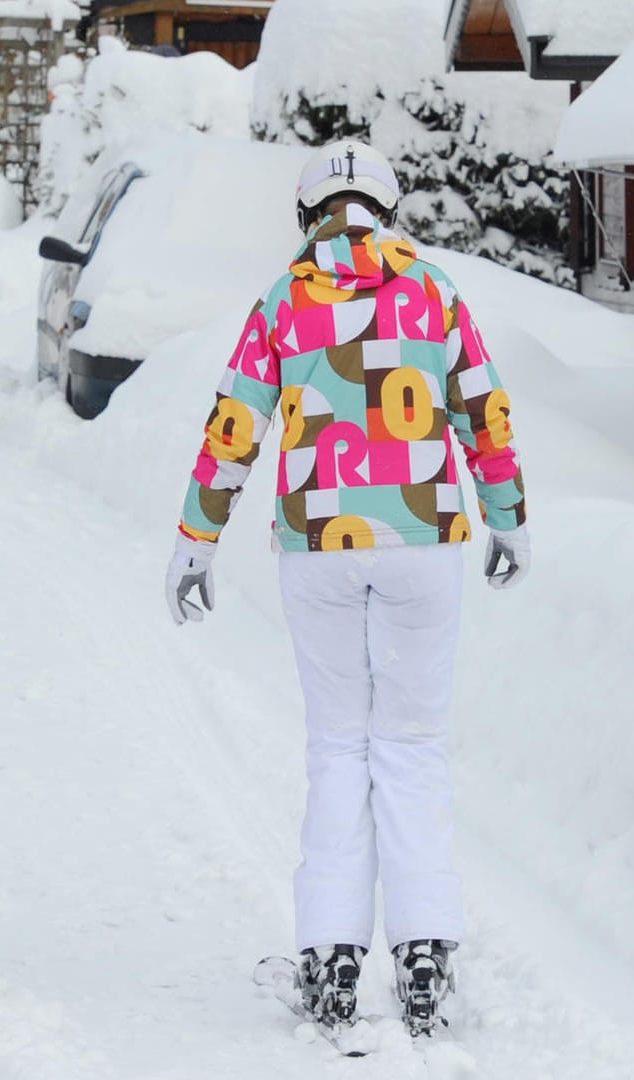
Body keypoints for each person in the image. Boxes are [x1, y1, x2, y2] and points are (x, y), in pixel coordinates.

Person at [165, 140, 528, 1038]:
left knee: (338, 746)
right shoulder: (436, 291)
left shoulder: (286, 300)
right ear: (385, 208)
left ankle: (329, 962)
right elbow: (484, 410)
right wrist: (507, 515)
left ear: (310, 215)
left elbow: (236, 422)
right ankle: (425, 956)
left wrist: (195, 539)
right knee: (410, 745)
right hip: (424, 539)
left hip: (319, 544)